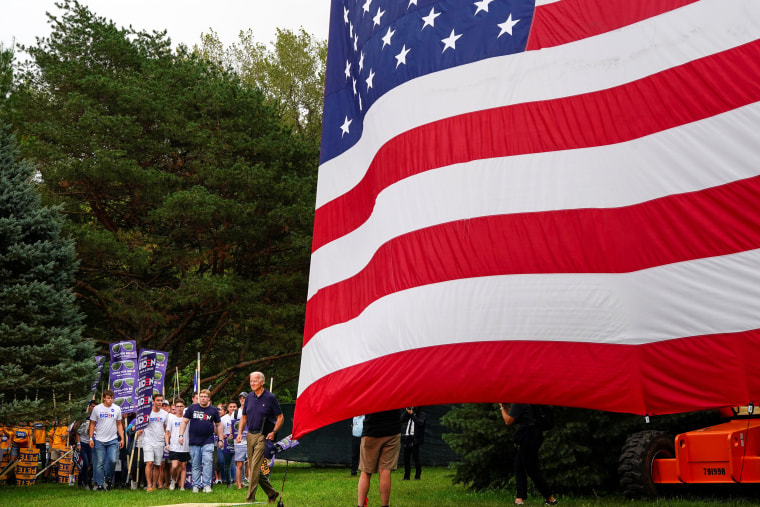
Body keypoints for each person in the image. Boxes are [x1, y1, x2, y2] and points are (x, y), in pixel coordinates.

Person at [236, 371, 283, 504]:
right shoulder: (249, 397)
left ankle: (249, 499)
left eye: (255, 381)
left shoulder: (270, 398)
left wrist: (274, 432)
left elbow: (280, 417)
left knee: (255, 467)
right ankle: (272, 493)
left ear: (262, 382)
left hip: (263, 435)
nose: (252, 383)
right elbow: (244, 417)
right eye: (251, 381)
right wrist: (240, 433)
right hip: (250, 434)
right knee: (254, 467)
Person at [500, 403, 557, 506]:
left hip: (528, 438)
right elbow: (513, 416)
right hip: (536, 436)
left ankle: (549, 498)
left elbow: (508, 421)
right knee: (520, 467)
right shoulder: (531, 401)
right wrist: (506, 406)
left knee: (531, 469)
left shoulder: (519, 402)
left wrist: (501, 407)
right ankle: (520, 498)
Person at [179, 389, 224, 493]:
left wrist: (221, 439)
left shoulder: (213, 410)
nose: (203, 398)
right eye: (201, 396)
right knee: (195, 464)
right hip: (194, 441)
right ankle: (196, 485)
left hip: (208, 441)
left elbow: (219, 425)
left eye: (205, 396)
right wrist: (180, 435)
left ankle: (207, 485)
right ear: (199, 397)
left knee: (208, 462)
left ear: (209, 398)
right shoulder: (192, 408)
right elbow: (184, 421)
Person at [357, 409, 401, 507]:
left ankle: (360, 505)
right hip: (392, 430)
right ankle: (385, 505)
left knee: (365, 471)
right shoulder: (395, 392)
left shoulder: (368, 392)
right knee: (385, 470)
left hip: (371, 431)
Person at [89, 390, 125, 491]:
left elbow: (119, 424)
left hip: (113, 439)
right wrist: (91, 438)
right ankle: (100, 484)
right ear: (104, 398)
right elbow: (92, 424)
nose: (110, 400)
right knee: (99, 463)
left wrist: (122, 438)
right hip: (99, 439)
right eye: (108, 398)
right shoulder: (97, 409)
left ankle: (108, 479)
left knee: (113, 461)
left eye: (112, 398)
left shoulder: (117, 409)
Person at [137, 393, 168, 491]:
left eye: (161, 400)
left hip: (159, 441)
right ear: (153, 401)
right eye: (158, 400)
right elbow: (140, 426)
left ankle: (154, 485)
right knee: (149, 462)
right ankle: (149, 485)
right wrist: (140, 430)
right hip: (148, 440)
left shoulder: (165, 414)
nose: (160, 402)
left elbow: (166, 428)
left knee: (157, 465)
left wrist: (166, 440)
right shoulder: (147, 412)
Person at [166, 398, 190, 491]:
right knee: (175, 466)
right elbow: (167, 433)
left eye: (181, 406)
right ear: (175, 408)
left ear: (184, 407)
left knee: (183, 466)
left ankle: (182, 487)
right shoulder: (171, 418)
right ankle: (173, 479)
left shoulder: (187, 419)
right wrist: (167, 443)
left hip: (185, 446)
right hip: (174, 446)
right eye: (178, 406)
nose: (179, 408)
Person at [400, 407, 426, 480]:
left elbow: (420, 423)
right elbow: (401, 420)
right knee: (406, 458)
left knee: (415, 458)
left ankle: (417, 475)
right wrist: (407, 412)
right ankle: (406, 476)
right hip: (407, 437)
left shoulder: (421, 414)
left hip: (415, 438)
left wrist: (412, 415)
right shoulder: (408, 414)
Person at [233, 393, 249, 489]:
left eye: (244, 398)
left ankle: (249, 482)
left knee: (250, 463)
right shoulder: (236, 413)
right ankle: (239, 485)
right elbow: (232, 426)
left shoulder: (251, 410)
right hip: (239, 441)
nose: (242, 400)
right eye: (241, 398)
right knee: (239, 463)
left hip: (250, 440)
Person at [220, 400, 237, 486]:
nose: (232, 408)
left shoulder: (240, 417)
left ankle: (238, 481)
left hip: (238, 443)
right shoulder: (223, 419)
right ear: (227, 408)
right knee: (227, 463)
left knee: (239, 462)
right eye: (231, 407)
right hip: (227, 444)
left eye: (234, 406)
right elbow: (219, 430)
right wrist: (221, 435)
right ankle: (228, 481)